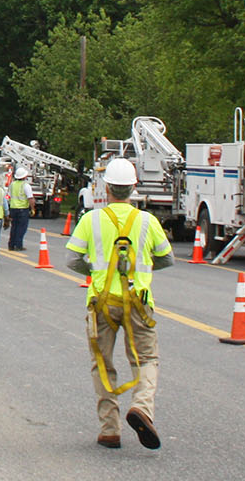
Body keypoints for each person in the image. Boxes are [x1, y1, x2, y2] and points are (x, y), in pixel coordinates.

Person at [66, 158, 173, 449]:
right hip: (139, 302)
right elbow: (166, 258)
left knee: (102, 363)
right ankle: (141, 406)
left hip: (101, 303)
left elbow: (72, 259)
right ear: (134, 187)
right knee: (147, 359)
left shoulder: (91, 219)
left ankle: (110, 429)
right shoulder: (147, 221)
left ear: (106, 187)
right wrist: (142, 268)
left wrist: (96, 273)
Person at [5, 163, 33, 250]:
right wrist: (33, 208)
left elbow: (9, 196)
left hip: (13, 208)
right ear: (24, 176)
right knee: (21, 228)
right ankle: (18, 245)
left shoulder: (12, 184)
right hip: (22, 209)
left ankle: (11, 244)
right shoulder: (26, 186)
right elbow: (30, 199)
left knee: (14, 227)